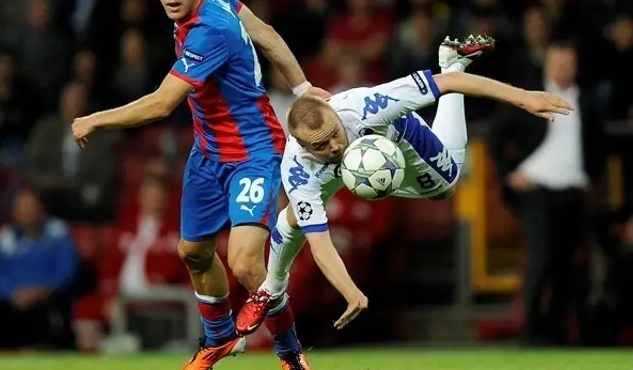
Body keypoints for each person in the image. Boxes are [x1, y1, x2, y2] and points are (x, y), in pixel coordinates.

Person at [70, 0, 327, 370]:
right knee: (193, 251)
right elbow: (265, 33)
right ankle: (219, 338)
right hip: (208, 155)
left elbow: (161, 104)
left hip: (253, 152)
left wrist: (95, 119)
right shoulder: (215, 1)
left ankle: (289, 352)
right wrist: (302, 88)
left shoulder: (212, 28)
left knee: (245, 262)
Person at [235, 35, 573, 334]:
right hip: (335, 172)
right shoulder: (297, 168)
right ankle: (272, 287)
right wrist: (351, 292)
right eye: (320, 145)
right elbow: (320, 245)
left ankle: (453, 60)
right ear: (301, 145)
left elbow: (448, 84)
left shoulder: (368, 106)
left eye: (334, 135)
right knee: (295, 215)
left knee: (447, 185)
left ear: (335, 114)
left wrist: (524, 97)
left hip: (402, 143)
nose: (334, 146)